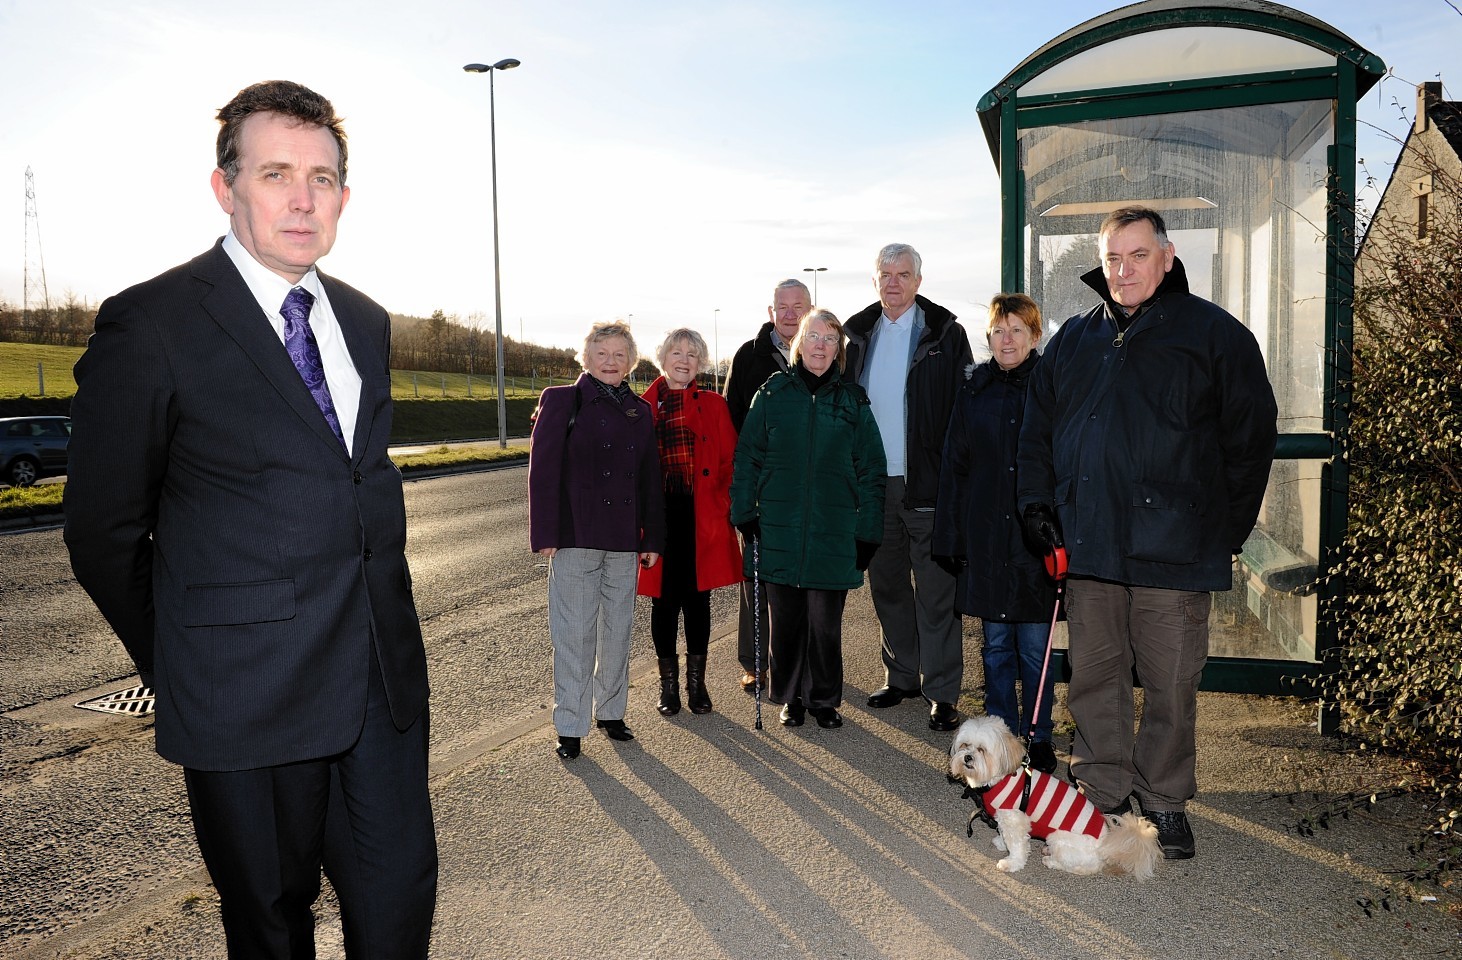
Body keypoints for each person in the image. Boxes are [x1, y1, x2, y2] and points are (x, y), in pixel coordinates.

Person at [62, 81, 437, 957]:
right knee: (270, 925)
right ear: (226, 186)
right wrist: (184, 661)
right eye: (276, 173)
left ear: (345, 193)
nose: (304, 199)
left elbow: (360, 497)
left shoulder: (364, 321)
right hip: (245, 697)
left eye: (323, 177)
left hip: (379, 688)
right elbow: (103, 533)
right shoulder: (151, 323)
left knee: (399, 906)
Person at [1016, 206, 1277, 860]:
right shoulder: (1074, 340)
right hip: (1091, 546)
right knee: (1096, 675)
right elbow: (1037, 436)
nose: (1123, 270)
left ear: (1166, 257)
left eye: (1137, 255)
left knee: (1170, 681)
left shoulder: (1215, 337)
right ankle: (1101, 785)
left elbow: (1250, 443)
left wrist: (1223, 532)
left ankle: (1163, 797)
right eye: (1112, 258)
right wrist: (1038, 508)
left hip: (1176, 552)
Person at [730, 309, 886, 729]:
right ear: (800, 343)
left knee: (824, 624)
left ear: (838, 351)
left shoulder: (852, 402)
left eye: (829, 339)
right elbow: (747, 458)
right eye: (813, 336)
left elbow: (872, 468)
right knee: (787, 623)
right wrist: (744, 513)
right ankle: (790, 697)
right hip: (778, 528)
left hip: (834, 533)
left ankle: (823, 699)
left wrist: (869, 529)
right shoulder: (772, 394)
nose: (820, 345)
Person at [844, 244, 973, 731]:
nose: (894, 283)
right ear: (874, 280)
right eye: (885, 274)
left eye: (903, 274)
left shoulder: (945, 333)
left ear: (919, 281)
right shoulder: (856, 337)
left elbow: (963, 411)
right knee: (888, 585)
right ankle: (901, 676)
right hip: (875, 486)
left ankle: (941, 690)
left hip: (928, 486)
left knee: (937, 592)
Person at [934, 294, 1059, 774]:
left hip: (1034, 541)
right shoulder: (975, 390)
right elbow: (954, 465)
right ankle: (1001, 741)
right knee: (995, 649)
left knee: (1034, 650)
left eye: (1016, 331)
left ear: (1034, 336)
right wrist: (950, 537)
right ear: (989, 338)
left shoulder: (1049, 388)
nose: (1007, 340)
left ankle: (1039, 736)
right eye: (998, 331)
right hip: (986, 539)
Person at [530, 320, 665, 760]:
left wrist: (653, 537)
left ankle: (611, 712)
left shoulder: (640, 411)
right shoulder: (561, 400)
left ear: (631, 363)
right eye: (601, 353)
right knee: (573, 634)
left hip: (625, 538)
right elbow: (543, 471)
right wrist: (546, 533)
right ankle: (570, 724)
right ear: (585, 359)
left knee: (618, 631)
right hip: (575, 536)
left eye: (619, 355)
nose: (610, 362)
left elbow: (650, 479)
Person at [636, 328, 742, 716]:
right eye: (676, 352)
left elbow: (733, 462)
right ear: (661, 358)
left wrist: (725, 503)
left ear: (700, 364)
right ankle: (669, 689)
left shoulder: (714, 404)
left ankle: (697, 686)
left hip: (702, 517)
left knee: (698, 604)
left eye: (692, 355)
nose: (683, 360)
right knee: (663, 605)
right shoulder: (640, 407)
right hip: (658, 519)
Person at [722, 278, 810, 693]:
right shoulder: (749, 356)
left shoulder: (825, 349)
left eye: (799, 305)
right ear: (771, 311)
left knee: (806, 576)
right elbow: (731, 421)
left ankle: (803, 660)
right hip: (761, 487)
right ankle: (756, 662)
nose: (791, 313)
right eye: (783, 306)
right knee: (756, 573)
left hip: (810, 490)